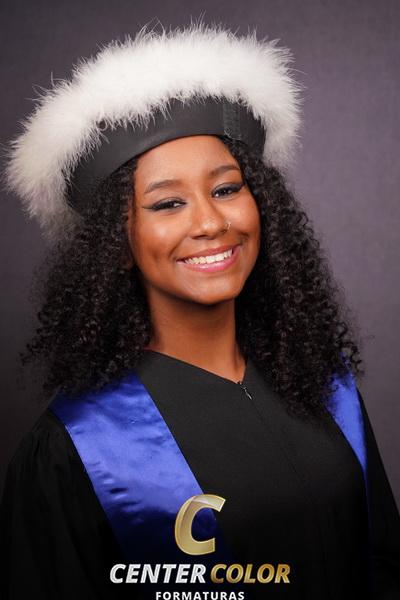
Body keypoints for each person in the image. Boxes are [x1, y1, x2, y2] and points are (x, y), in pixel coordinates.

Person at [1, 22, 399, 600]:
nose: (210, 222)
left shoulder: (324, 385)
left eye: (226, 189)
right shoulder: (78, 450)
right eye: (168, 203)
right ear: (118, 241)